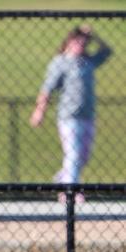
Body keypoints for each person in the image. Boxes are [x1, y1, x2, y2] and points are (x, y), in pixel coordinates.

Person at [30, 25, 112, 203]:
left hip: (87, 115)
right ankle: (69, 192)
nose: (81, 46)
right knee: (73, 154)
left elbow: (107, 51)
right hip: (68, 116)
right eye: (78, 42)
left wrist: (94, 34)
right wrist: (39, 111)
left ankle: (63, 179)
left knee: (83, 156)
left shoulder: (87, 61)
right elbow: (47, 88)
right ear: (69, 42)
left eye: (84, 43)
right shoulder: (60, 62)